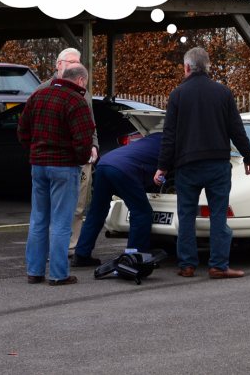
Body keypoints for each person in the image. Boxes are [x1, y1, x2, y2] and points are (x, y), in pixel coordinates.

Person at [154, 47, 250, 279]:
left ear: (187, 67)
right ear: (207, 66)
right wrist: (248, 157)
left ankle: (187, 265)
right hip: (217, 165)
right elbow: (236, 130)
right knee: (218, 215)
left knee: (186, 215)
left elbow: (169, 136)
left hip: (187, 165)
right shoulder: (223, 93)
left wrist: (162, 166)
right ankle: (218, 265)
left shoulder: (177, 94)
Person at [18, 64, 96, 286]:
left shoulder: (38, 96)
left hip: (38, 165)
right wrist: (81, 160)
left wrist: (34, 150)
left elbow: (22, 131)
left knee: (38, 219)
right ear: (81, 81)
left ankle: (34, 271)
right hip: (64, 166)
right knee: (62, 222)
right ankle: (59, 274)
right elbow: (84, 140)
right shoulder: (76, 101)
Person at [36, 48, 99, 255]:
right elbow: (29, 126)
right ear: (59, 64)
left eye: (78, 62)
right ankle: (53, 253)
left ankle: (71, 246)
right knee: (50, 210)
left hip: (79, 157)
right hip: (58, 160)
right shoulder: (43, 90)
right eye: (71, 61)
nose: (75, 65)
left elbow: (90, 124)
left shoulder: (84, 92)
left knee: (79, 206)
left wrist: (93, 146)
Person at [71, 132, 162, 267]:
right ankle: (134, 258)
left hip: (104, 164)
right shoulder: (173, 144)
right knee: (141, 213)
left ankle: (81, 254)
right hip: (124, 169)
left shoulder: (155, 136)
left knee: (96, 212)